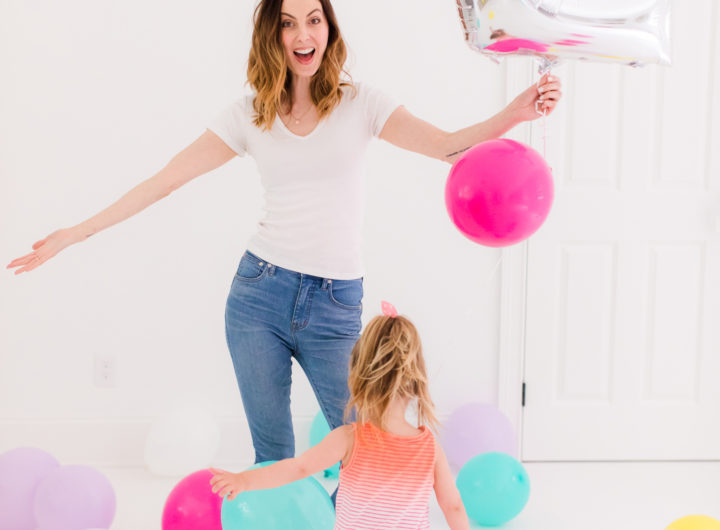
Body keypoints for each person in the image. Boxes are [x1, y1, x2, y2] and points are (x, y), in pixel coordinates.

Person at [6, 0, 561, 500]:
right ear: (272, 36)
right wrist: (73, 233)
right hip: (257, 300)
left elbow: (446, 148)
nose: (303, 34)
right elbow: (164, 181)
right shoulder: (249, 115)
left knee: (367, 456)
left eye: (313, 20)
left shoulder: (362, 103)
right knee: (271, 461)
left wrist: (515, 113)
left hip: (335, 304)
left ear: (329, 28)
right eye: (289, 23)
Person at [211, 305, 471, 530]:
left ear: (358, 378)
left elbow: (297, 468)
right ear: (416, 384)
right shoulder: (429, 448)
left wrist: (243, 481)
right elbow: (453, 507)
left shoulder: (349, 439)